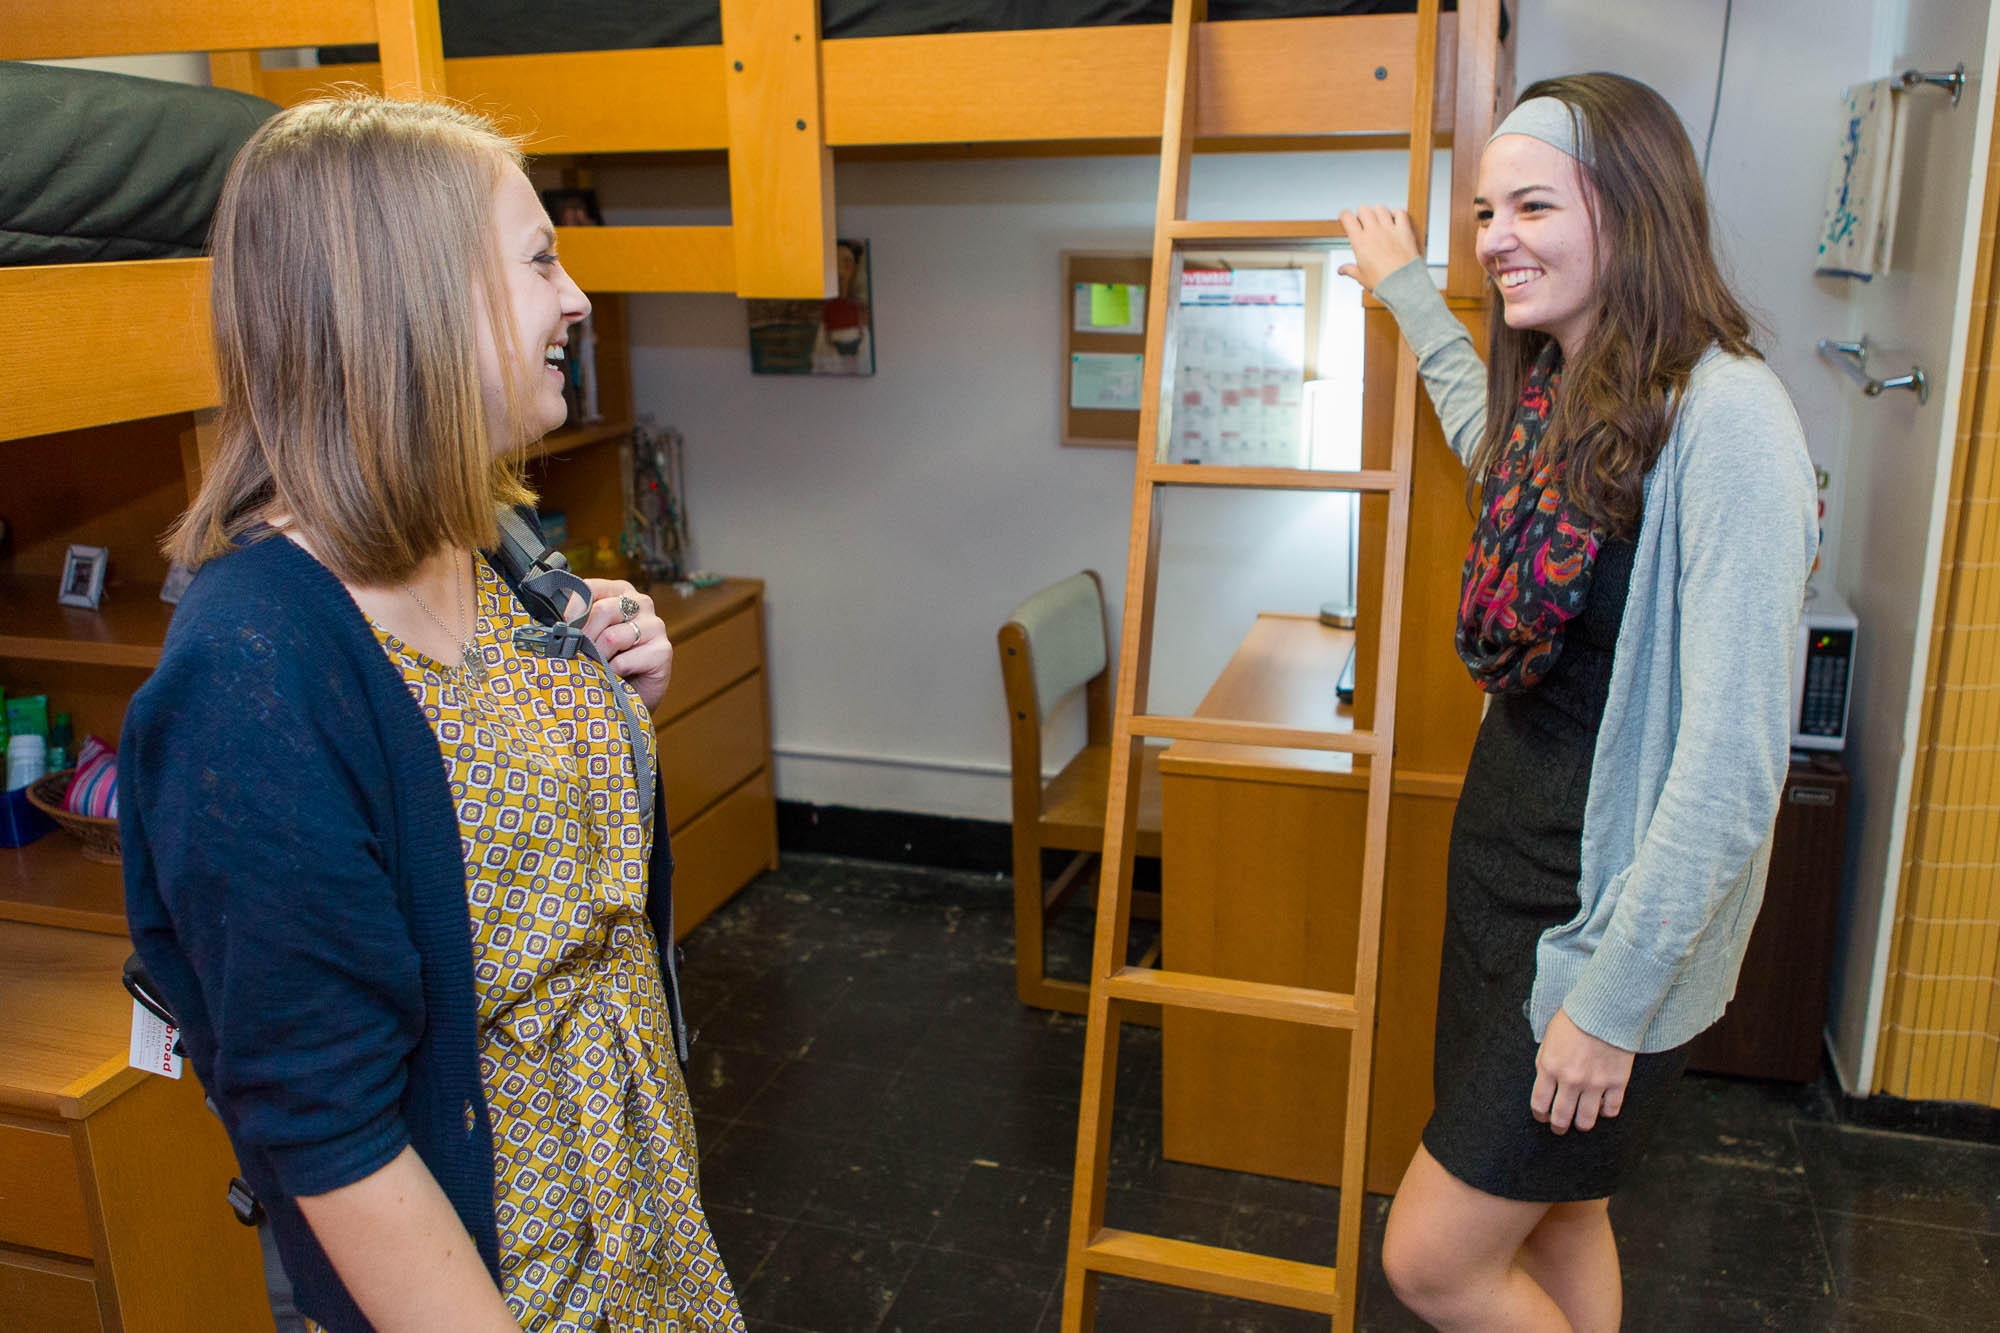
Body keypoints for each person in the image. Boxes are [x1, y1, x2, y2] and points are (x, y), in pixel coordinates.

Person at [120, 94, 743, 1333]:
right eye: (540, 260)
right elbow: (328, 1125)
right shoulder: (253, 671)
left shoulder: (489, 545)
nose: (576, 299)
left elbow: (501, 830)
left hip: (640, 1220)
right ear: (410, 303)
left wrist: (617, 694)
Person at [1336, 74, 1816, 1331]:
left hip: (1606, 922)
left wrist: (1608, 1004)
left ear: (1630, 209)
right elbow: (1477, 430)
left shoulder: (1730, 421)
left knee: (1430, 1260)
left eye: (1530, 206)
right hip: (1501, 878)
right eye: (1482, 213)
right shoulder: (1562, 392)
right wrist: (1404, 292)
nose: (1493, 237)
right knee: (1558, 1211)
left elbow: (1730, 767)